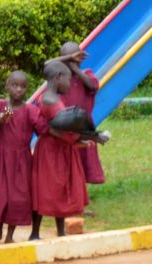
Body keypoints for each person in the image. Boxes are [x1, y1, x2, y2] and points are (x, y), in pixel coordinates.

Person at [31, 59, 88, 238]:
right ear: (58, 77)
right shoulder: (50, 100)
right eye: (68, 80)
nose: (70, 85)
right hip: (53, 151)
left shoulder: (49, 97)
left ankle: (58, 231)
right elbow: (62, 128)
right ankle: (35, 233)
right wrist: (83, 139)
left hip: (56, 149)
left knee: (57, 189)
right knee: (47, 189)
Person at [0, 70, 40, 244]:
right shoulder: (0, 105)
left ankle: (10, 235)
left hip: (22, 160)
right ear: (7, 86)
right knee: (0, 195)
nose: (18, 89)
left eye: (23, 86)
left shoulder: (30, 110)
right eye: (15, 85)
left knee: (17, 197)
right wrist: (1, 119)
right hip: (2, 158)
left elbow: (42, 130)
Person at [59, 40, 105, 195]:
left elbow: (93, 86)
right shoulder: (60, 80)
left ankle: (81, 196)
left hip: (84, 127)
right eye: (68, 60)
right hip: (67, 129)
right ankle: (69, 194)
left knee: (83, 162)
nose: (72, 63)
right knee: (68, 163)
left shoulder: (87, 75)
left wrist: (75, 69)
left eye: (75, 59)